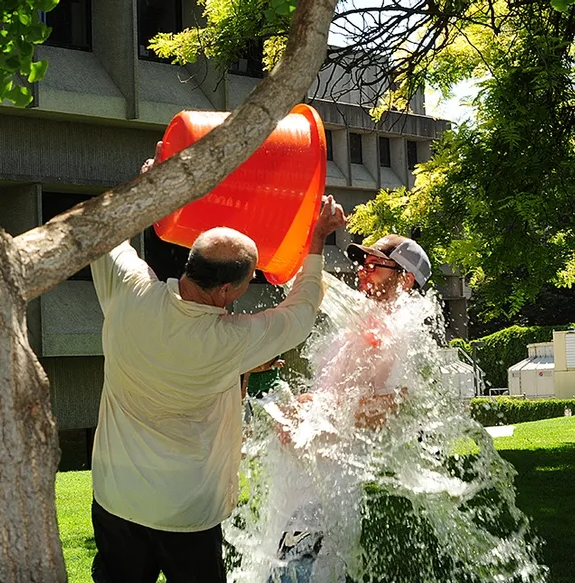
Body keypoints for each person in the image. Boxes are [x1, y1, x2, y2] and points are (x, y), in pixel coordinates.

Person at [89, 149, 346, 583]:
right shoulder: (231, 342)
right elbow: (301, 313)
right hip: (187, 511)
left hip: (116, 497)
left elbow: (105, 227)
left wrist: (148, 186)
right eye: (249, 282)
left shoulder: (129, 293)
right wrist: (317, 238)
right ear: (228, 288)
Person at [267, 234, 432, 583]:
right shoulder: (356, 329)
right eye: (363, 264)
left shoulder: (406, 331)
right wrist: (301, 410)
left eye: (375, 265)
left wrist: (319, 410)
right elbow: (334, 395)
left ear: (405, 279)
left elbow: (396, 406)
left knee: (296, 573)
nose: (362, 272)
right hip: (307, 476)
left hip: (333, 483)